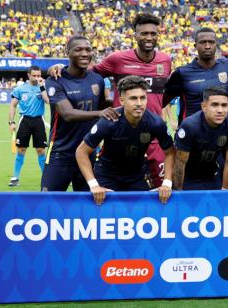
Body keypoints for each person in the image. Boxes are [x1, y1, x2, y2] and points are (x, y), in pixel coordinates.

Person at [49, 13, 172, 189]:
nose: (149, 37)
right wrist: (64, 68)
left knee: (162, 192)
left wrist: (157, 110)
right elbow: (87, 73)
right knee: (111, 191)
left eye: (153, 33)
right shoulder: (117, 59)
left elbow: (164, 95)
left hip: (153, 135)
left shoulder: (166, 61)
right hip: (120, 133)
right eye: (144, 33)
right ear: (135, 35)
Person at [76, 76, 175, 205]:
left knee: (142, 213)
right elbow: (81, 152)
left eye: (142, 98)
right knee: (108, 215)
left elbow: (170, 152)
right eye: (133, 98)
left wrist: (167, 183)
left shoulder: (156, 123)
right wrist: (94, 185)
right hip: (107, 175)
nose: (139, 103)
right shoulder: (109, 121)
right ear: (121, 101)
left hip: (137, 176)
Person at [41, 36, 118, 192]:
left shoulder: (97, 79)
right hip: (60, 153)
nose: (84, 53)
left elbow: (104, 105)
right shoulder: (55, 79)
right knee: (48, 202)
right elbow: (67, 114)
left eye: (88, 50)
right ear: (67, 52)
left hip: (87, 151)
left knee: (86, 205)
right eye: (78, 50)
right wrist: (100, 113)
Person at [163, 27, 228, 122]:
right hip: (192, 131)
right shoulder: (182, 73)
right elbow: (163, 101)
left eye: (211, 42)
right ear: (195, 46)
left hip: (223, 131)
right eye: (203, 42)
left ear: (216, 45)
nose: (207, 46)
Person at [173, 86, 228, 190]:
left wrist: (225, 190)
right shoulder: (190, 126)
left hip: (213, 176)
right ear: (204, 106)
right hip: (188, 178)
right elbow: (180, 163)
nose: (220, 110)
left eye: (224, 105)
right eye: (214, 105)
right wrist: (178, 191)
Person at [7, 66, 49, 187]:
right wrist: (11, 122)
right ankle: (15, 177)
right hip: (24, 121)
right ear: (28, 75)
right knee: (21, 149)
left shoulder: (43, 87)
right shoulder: (20, 89)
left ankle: (45, 178)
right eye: (34, 75)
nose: (37, 78)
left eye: (39, 75)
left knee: (41, 150)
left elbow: (47, 101)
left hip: (39, 121)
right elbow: (13, 105)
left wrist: (42, 87)